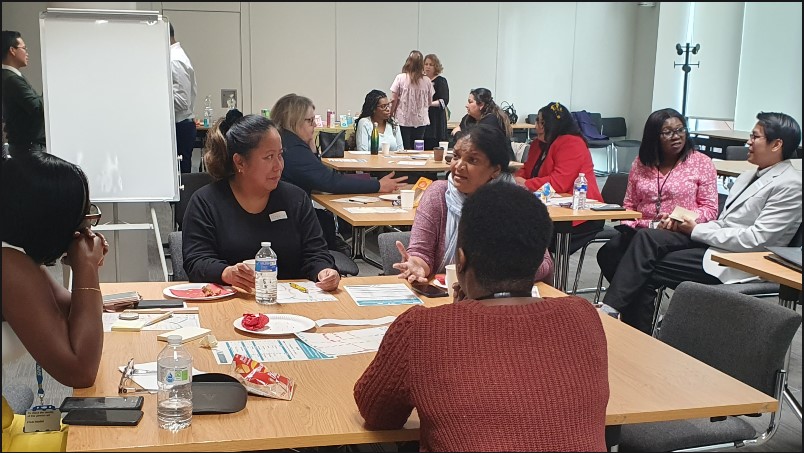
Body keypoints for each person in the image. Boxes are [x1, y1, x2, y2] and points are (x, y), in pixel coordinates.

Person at [355, 182, 609, 452]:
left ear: (460, 261)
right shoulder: (583, 316)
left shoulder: (422, 329)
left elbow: (377, 414)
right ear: (538, 263)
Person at [602, 111, 803, 333]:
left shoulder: (790, 185)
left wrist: (696, 229)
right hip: (718, 246)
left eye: (755, 137)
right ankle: (637, 331)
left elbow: (758, 240)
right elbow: (724, 221)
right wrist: (690, 226)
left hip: (742, 260)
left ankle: (623, 321)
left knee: (643, 264)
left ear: (776, 145)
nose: (749, 141)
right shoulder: (748, 175)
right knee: (638, 252)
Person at [182, 110, 340, 292]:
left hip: (291, 303)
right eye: (268, 157)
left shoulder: (296, 199)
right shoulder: (206, 202)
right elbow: (196, 261)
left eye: (280, 155)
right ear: (240, 162)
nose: (278, 165)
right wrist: (226, 273)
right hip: (230, 300)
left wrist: (324, 271)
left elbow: (316, 253)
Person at [2, 151, 109, 389]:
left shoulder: (16, 255)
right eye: (81, 215)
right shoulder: (8, 265)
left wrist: (86, 266)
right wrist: (86, 268)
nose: (87, 225)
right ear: (53, 220)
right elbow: (81, 371)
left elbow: (73, 312)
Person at [394, 124, 553, 283]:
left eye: (472, 160)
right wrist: (418, 264)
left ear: (495, 169)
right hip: (446, 296)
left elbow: (544, 263)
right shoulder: (438, 195)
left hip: (504, 298)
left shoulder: (518, 200)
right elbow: (421, 253)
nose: (458, 166)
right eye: (456, 156)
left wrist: (500, 274)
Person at [597, 108, 719, 283]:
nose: (676, 136)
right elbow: (629, 205)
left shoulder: (701, 163)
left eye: (680, 130)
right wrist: (637, 224)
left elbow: (710, 209)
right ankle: (637, 307)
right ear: (654, 136)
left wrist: (681, 220)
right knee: (608, 252)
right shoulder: (640, 163)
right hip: (642, 229)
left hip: (679, 231)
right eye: (667, 133)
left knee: (639, 252)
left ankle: (617, 308)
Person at [273, 93, 406, 253]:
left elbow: (316, 173)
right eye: (310, 121)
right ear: (293, 121)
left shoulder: (285, 141)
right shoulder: (293, 149)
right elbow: (329, 181)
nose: (315, 125)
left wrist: (310, 143)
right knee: (325, 221)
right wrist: (378, 185)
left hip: (286, 214)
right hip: (289, 222)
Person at [515, 101, 604, 254]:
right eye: (537, 121)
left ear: (554, 125)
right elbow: (527, 170)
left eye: (542, 122)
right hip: (549, 207)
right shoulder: (538, 144)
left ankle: (543, 274)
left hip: (581, 214)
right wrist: (517, 180)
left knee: (525, 233)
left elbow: (559, 182)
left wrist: (526, 184)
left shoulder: (572, 143)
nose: (537, 127)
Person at [1, 31, 45, 155]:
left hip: (25, 147)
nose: (27, 52)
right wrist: (49, 90)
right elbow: (36, 106)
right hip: (29, 149)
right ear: (12, 50)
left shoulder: (11, 76)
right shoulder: (11, 79)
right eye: (24, 48)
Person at [390, 50, 435, 150]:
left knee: (404, 146)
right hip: (421, 120)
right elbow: (429, 102)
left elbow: (393, 100)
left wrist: (391, 114)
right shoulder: (427, 80)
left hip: (403, 119)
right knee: (418, 148)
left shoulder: (400, 78)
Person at [169, 23, 198, 174]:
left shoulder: (174, 60)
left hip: (180, 126)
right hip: (182, 126)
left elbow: (181, 102)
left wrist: (158, 97)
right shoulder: (176, 57)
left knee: (180, 176)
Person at [423, 53, 449, 150]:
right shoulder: (421, 80)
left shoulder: (441, 81)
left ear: (436, 66)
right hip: (423, 116)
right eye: (426, 64)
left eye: (431, 64)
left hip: (436, 118)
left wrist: (428, 104)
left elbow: (444, 101)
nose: (428, 67)